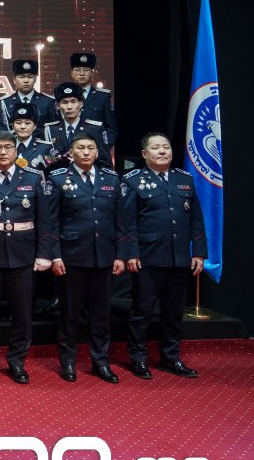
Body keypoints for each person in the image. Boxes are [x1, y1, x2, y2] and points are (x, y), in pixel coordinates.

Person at [0, 131, 59, 385]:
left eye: (8, 147)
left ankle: (17, 361)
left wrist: (45, 253)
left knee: (22, 312)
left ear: (16, 151)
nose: (3, 152)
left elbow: (45, 220)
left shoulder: (33, 177)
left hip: (23, 255)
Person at [120, 133, 208, 380]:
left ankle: (171, 357)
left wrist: (199, 252)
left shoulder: (184, 179)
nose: (162, 151)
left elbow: (196, 219)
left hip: (179, 258)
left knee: (174, 312)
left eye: (166, 147)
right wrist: (130, 252)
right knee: (142, 311)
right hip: (148, 257)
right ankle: (138, 357)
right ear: (144, 154)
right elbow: (127, 222)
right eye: (156, 148)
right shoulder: (133, 181)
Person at [48, 133, 123, 383]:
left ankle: (101, 362)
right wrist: (55, 256)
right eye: (81, 148)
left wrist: (121, 255)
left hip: (104, 257)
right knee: (69, 314)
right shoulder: (58, 178)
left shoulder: (111, 179)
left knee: (100, 315)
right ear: (71, 153)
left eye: (91, 148)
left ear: (97, 152)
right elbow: (51, 222)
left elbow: (120, 221)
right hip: (71, 257)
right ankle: (67, 362)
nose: (86, 152)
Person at [44, 82, 112, 172]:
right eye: (65, 102)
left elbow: (105, 164)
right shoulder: (50, 130)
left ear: (81, 104)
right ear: (58, 106)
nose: (69, 107)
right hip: (59, 179)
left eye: (73, 101)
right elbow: (47, 163)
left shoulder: (95, 129)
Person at [68, 52, 118, 148]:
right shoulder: (64, 98)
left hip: (95, 149)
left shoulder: (103, 97)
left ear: (92, 73)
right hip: (69, 149)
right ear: (72, 73)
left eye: (86, 70)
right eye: (77, 70)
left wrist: (103, 148)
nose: (82, 74)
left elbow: (111, 129)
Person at [0, 58, 56, 130]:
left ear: (35, 79)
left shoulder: (48, 102)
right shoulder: (5, 102)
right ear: (14, 79)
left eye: (30, 77)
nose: (26, 81)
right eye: (21, 77)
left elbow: (53, 129)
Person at [11, 103, 58, 176]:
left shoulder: (45, 148)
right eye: (18, 123)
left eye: (27, 123)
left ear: (34, 126)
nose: (23, 127)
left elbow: (53, 175)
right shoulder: (6, 146)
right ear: (13, 126)